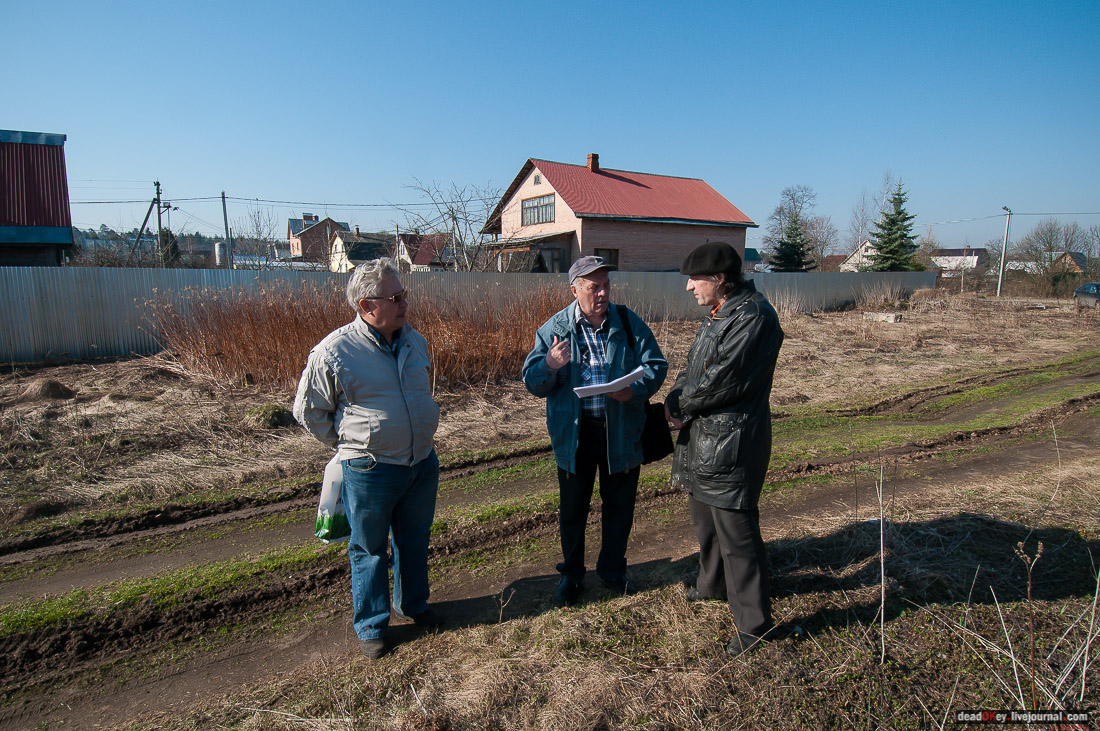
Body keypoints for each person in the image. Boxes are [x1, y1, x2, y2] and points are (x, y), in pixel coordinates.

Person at [293, 258, 442, 660]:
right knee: (370, 549)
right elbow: (308, 411)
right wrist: (352, 446)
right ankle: (373, 626)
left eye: (404, 294)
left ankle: (413, 605)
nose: (403, 302)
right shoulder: (335, 351)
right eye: (394, 297)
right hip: (371, 470)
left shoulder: (415, 340)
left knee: (413, 541)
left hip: (420, 464)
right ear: (366, 305)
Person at [523, 255, 668, 606]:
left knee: (620, 506)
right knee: (573, 510)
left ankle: (613, 571)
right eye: (593, 287)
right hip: (575, 436)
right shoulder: (554, 329)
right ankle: (572, 577)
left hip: (620, 431)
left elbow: (656, 365)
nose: (602, 293)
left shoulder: (628, 323)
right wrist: (549, 365)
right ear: (575, 290)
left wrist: (633, 390)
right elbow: (532, 381)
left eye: (605, 285)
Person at [663, 241, 785, 658]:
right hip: (705, 440)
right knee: (706, 521)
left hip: (732, 443)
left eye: (694, 280)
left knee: (737, 534)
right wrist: (674, 398)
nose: (689, 288)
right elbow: (694, 369)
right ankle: (712, 585)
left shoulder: (754, 318)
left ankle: (754, 625)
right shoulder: (720, 314)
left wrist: (681, 405)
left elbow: (722, 380)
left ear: (719, 280)